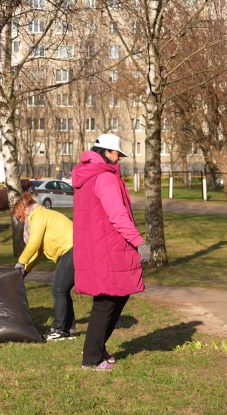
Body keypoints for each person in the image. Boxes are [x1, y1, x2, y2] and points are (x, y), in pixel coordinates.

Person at [72, 134, 151, 371]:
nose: (119, 158)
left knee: (117, 296)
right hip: (107, 248)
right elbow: (118, 215)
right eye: (117, 154)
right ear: (106, 152)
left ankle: (98, 349)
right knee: (106, 302)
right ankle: (91, 358)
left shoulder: (91, 175)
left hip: (100, 246)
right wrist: (139, 242)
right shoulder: (104, 177)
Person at [12, 192, 76, 341]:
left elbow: (33, 243)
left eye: (20, 216)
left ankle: (58, 330)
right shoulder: (40, 214)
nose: (21, 220)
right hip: (73, 249)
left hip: (71, 249)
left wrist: (20, 262)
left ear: (24, 210)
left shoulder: (37, 215)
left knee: (58, 290)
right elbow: (38, 250)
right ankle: (69, 330)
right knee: (63, 290)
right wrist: (25, 270)